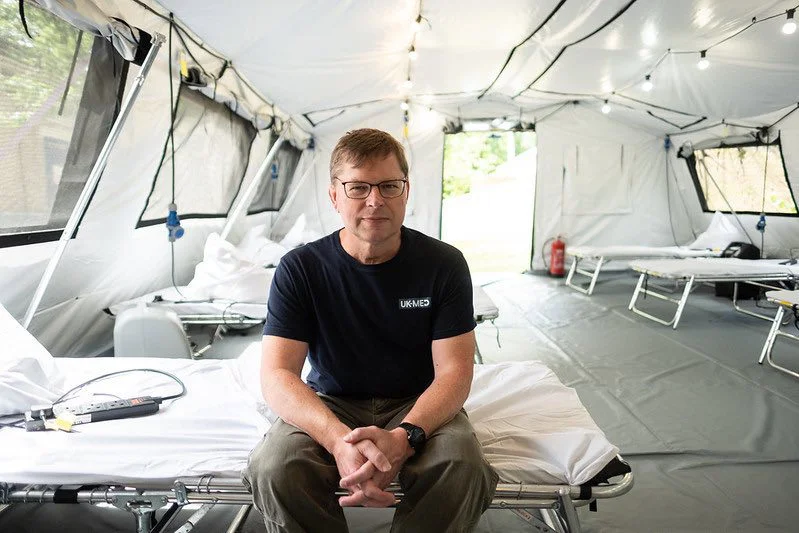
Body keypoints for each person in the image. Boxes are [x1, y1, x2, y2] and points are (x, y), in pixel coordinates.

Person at [244, 128, 498, 533]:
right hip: (332, 401)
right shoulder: (301, 269)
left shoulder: (444, 265)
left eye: (389, 186)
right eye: (358, 187)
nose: (375, 200)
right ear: (334, 196)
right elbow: (277, 374)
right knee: (276, 467)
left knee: (461, 463)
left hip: (417, 402)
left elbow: (454, 372)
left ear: (406, 191)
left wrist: (405, 438)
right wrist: (338, 441)